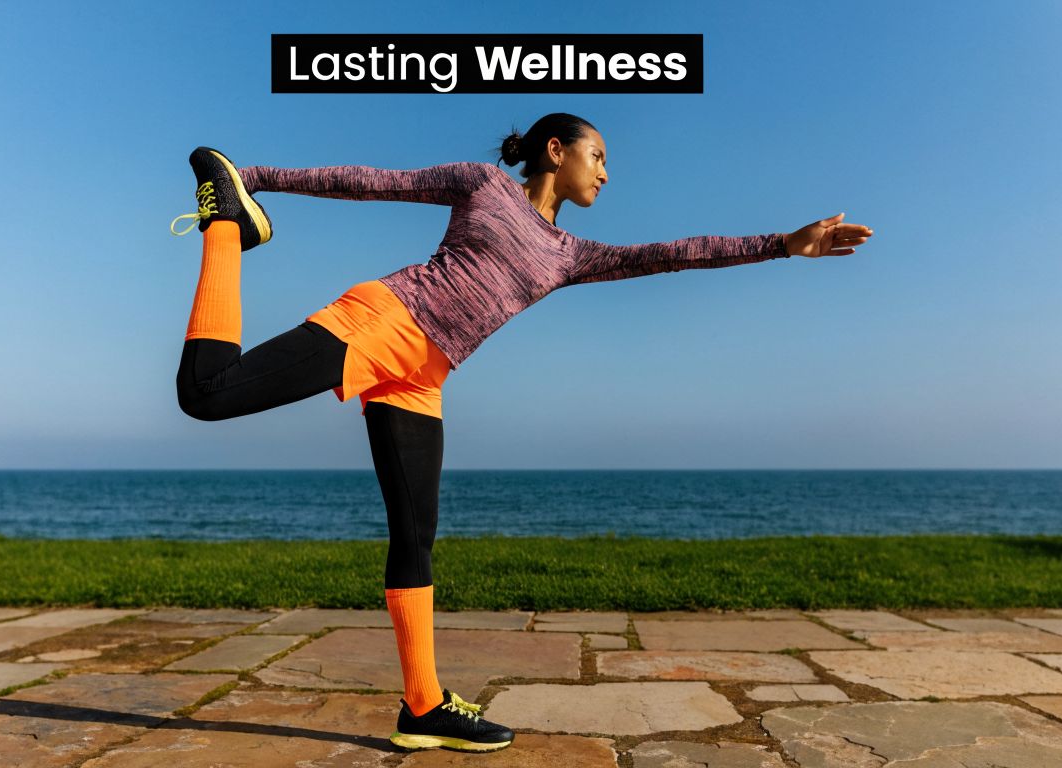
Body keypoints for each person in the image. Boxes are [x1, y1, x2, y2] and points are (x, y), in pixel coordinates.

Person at [168, 113, 874, 753]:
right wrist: (254, 180)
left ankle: (423, 708)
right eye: (598, 156)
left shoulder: (569, 254)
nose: (605, 172)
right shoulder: (482, 185)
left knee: (415, 537)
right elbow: (373, 181)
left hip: (423, 375)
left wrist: (783, 244)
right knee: (205, 393)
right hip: (383, 322)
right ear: (555, 150)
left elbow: (672, 253)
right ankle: (226, 223)